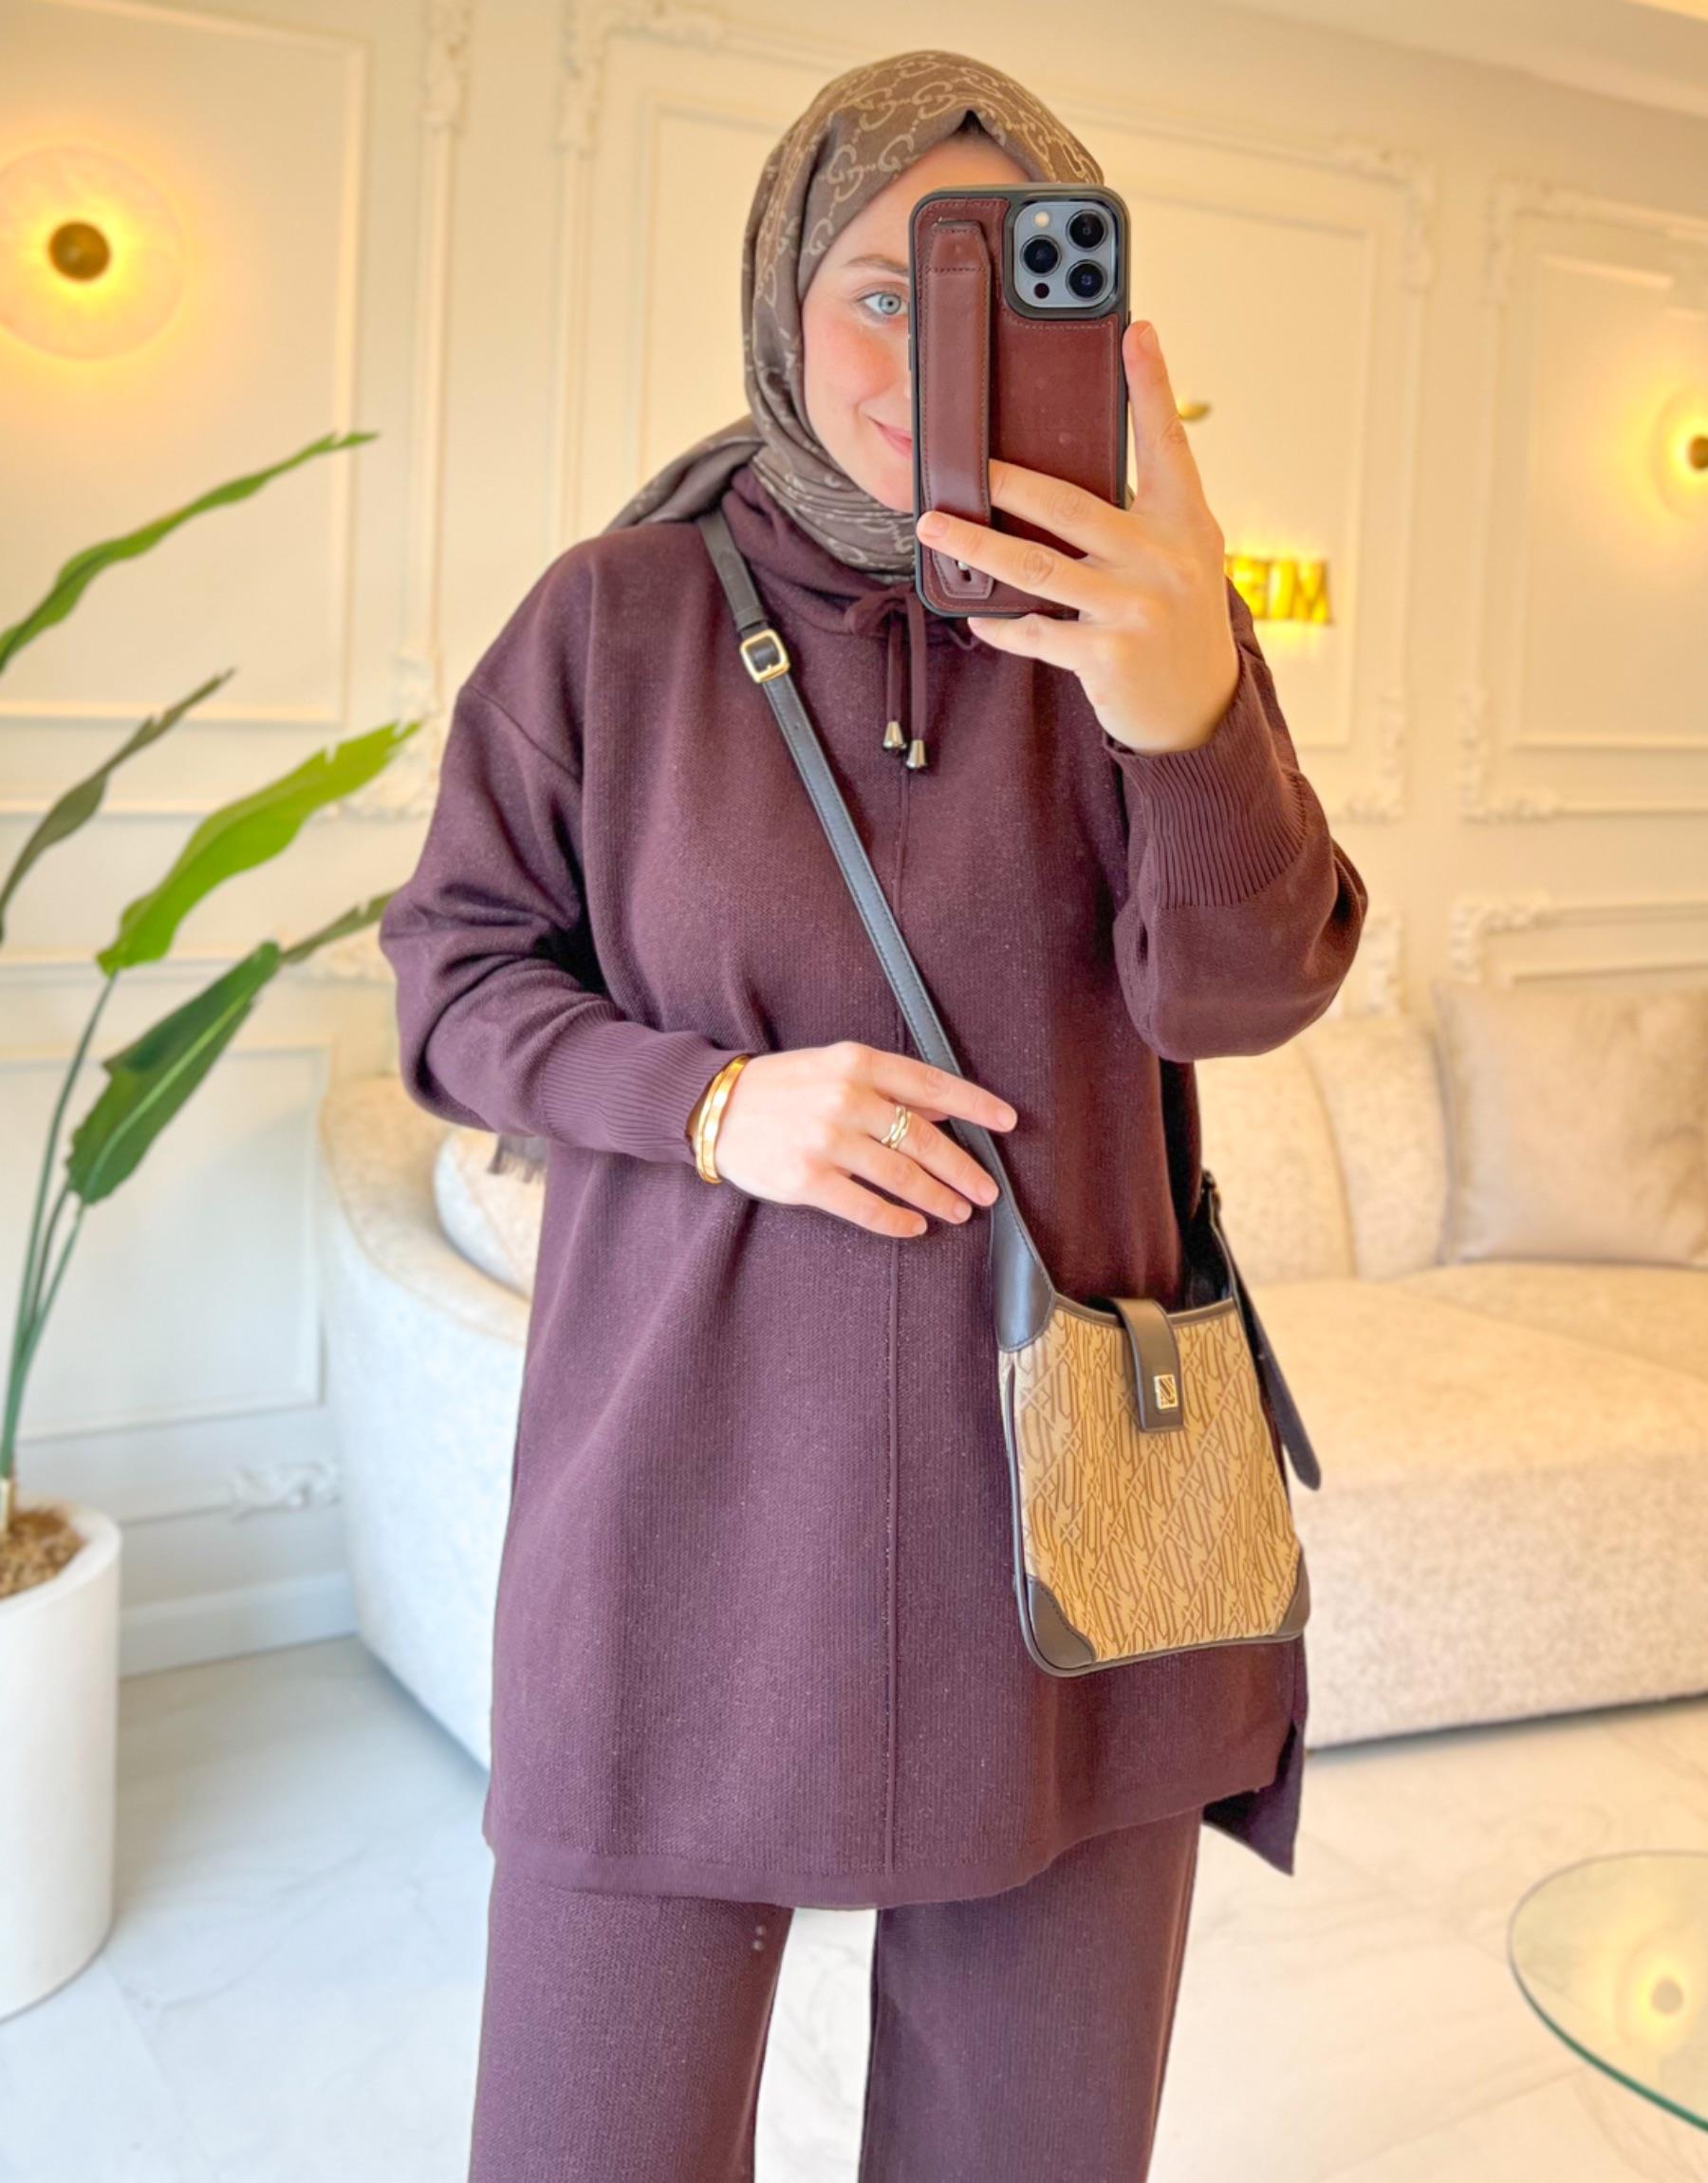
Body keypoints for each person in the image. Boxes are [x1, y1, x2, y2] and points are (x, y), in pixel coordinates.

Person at [378, 46, 1367, 2183]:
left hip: (1073, 1565)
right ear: (778, 293)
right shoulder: (614, 620)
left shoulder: (1143, 626)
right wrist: (712, 1102)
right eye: (882, 288)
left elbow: (1249, 991)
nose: (931, 353)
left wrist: (1188, 706)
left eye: (1001, 285)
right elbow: (450, 983)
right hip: (684, 1534)